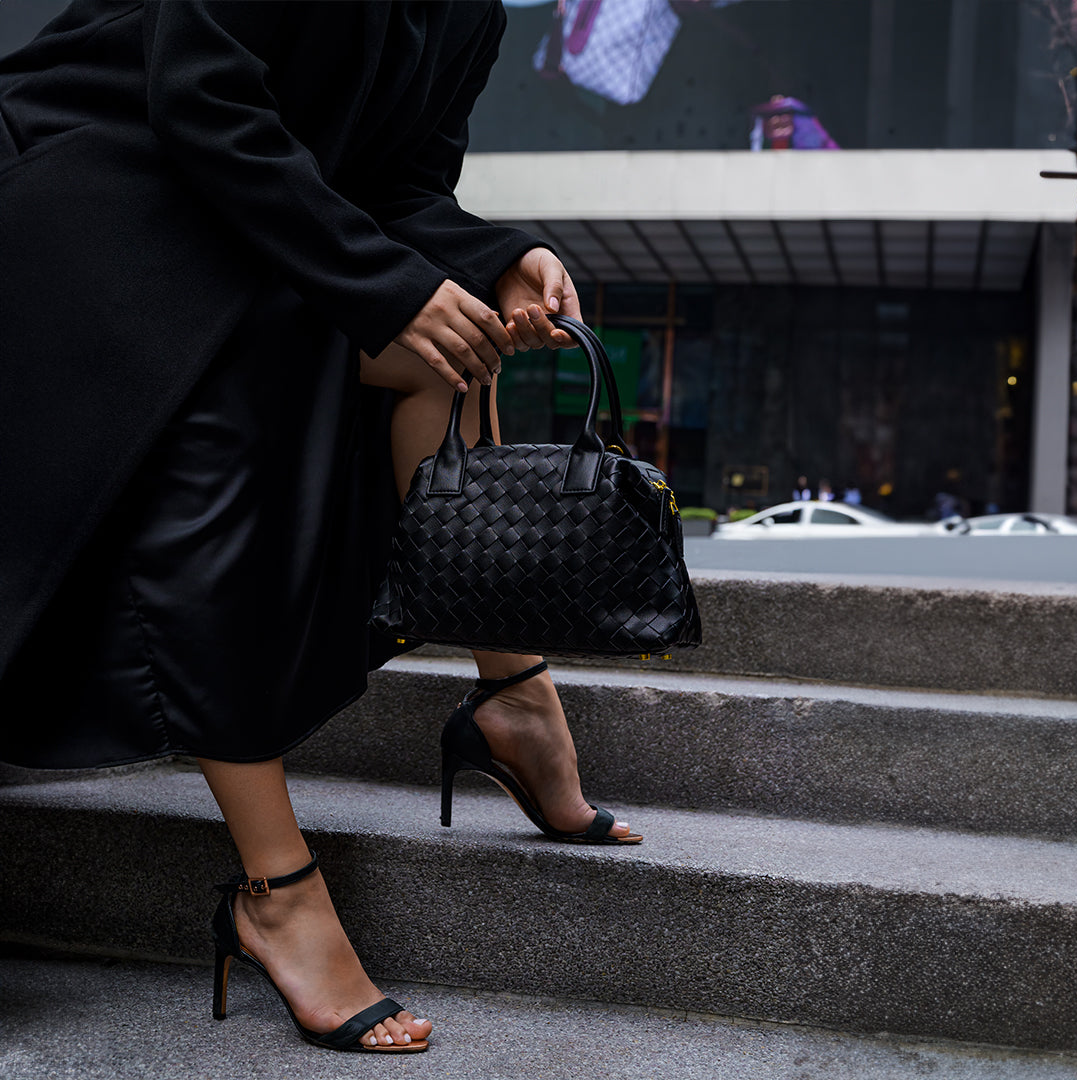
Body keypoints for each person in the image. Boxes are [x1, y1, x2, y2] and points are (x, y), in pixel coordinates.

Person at [0, 0, 639, 1056]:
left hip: (229, 224)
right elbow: (199, 102)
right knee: (228, 423)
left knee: (451, 346)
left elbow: (396, 188)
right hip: (85, 195)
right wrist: (391, 286)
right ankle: (277, 893)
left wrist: (501, 254)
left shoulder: (471, 13)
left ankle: (515, 696)